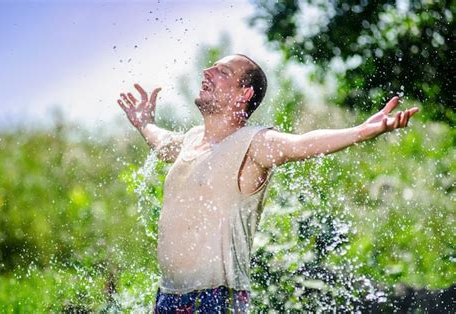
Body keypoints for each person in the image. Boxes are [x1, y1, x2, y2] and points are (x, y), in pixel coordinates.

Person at [117, 54, 419, 313]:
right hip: (168, 295)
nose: (207, 73)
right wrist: (145, 123)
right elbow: (163, 143)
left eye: (222, 72)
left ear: (243, 94)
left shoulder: (254, 143)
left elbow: (299, 144)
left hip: (216, 298)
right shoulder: (192, 140)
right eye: (211, 68)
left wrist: (360, 132)